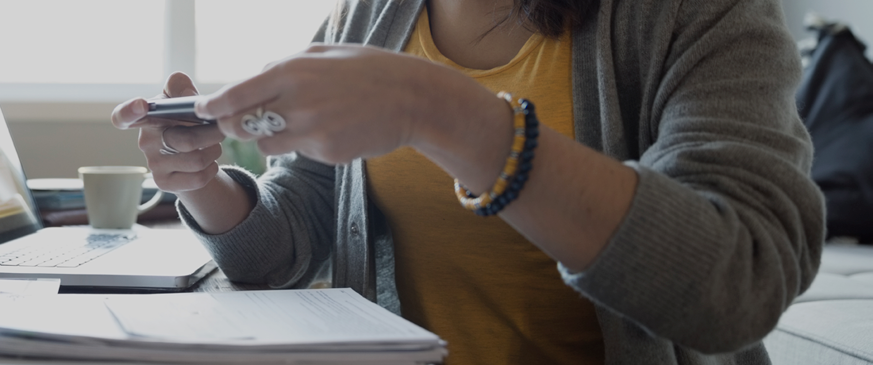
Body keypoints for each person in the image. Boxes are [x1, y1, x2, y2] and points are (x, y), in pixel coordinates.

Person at [110, 0, 824, 364]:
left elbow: (743, 278)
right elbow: (284, 240)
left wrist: (443, 113)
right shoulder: (374, 12)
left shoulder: (692, 15)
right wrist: (200, 182)